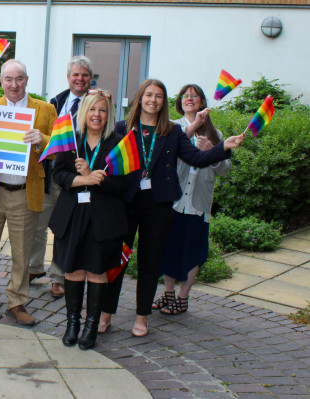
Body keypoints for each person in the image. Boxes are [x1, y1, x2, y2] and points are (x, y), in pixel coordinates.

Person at [101, 79, 245, 336]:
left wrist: (223, 147)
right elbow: (108, 163)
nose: (153, 100)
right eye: (148, 94)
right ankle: (105, 313)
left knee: (150, 262)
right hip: (126, 202)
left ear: (164, 102)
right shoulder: (123, 128)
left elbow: (196, 158)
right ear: (140, 98)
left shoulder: (172, 132)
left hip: (158, 206)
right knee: (118, 259)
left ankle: (142, 317)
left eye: (158, 96)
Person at [0, 60, 58, 327]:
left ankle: (17, 302)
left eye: (19, 79)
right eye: (8, 79)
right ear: (1, 81)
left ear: (27, 80)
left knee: (22, 252)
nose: (14, 85)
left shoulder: (45, 109)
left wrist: (43, 140)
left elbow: (59, 146)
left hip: (24, 191)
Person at [50, 89, 130, 350]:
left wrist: (99, 179)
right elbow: (58, 174)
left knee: (97, 271)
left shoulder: (120, 143)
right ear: (84, 112)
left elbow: (127, 186)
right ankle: (72, 323)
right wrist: (82, 179)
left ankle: (91, 327)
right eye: (93, 109)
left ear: (109, 115)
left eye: (103, 110)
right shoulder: (71, 139)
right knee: (73, 269)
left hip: (104, 219)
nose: (97, 115)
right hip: (73, 216)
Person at [153, 84, 231, 315]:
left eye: (194, 96)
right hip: (174, 201)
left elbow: (225, 170)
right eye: (185, 96)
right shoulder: (172, 128)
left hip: (198, 203)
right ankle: (168, 293)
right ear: (179, 102)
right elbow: (163, 153)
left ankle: (183, 297)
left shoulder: (216, 135)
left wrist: (212, 152)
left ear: (202, 102)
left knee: (193, 251)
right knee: (169, 249)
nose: (189, 99)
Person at [30, 55, 93, 299]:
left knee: (64, 229)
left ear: (90, 79)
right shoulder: (55, 102)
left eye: (85, 75)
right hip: (51, 173)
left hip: (77, 176)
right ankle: (34, 268)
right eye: (76, 75)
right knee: (38, 222)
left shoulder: (96, 103)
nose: (80, 79)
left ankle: (58, 277)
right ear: (68, 78)